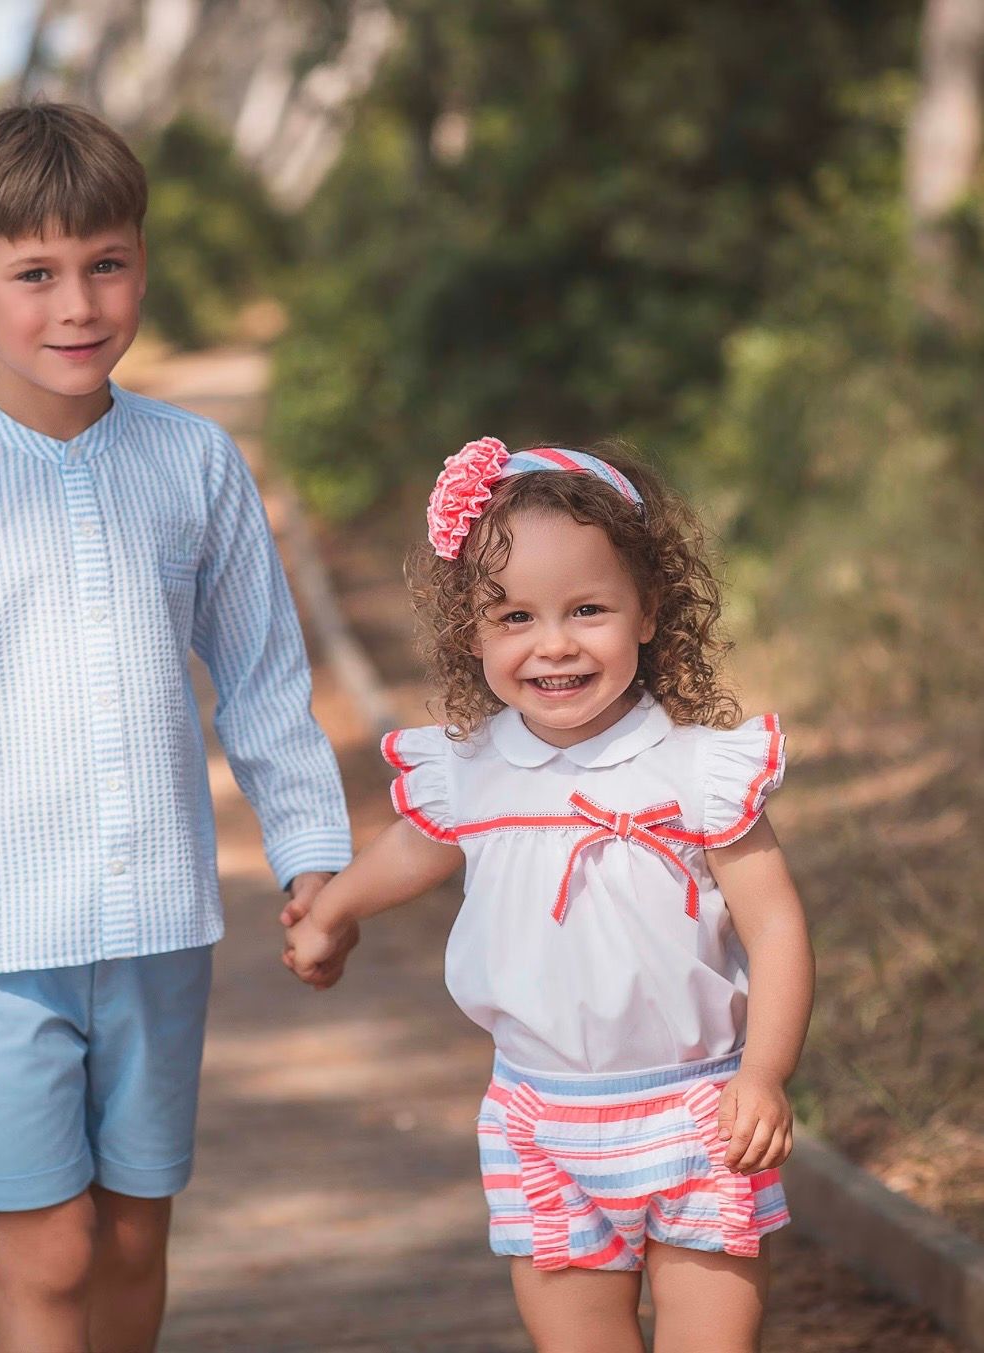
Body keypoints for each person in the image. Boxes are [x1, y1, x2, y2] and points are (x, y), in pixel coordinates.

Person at [0, 102, 355, 1353]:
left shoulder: (196, 464)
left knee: (134, 1234)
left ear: (142, 266)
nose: (76, 306)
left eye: (106, 264)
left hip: (159, 922)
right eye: (34, 275)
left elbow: (265, 684)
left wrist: (315, 863)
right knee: (48, 1248)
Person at [284, 438, 815, 1352]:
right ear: (472, 633)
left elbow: (776, 928)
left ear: (647, 611)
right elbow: (413, 853)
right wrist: (331, 911)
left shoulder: (695, 773)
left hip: (698, 1113)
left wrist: (763, 1074)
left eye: (587, 609)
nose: (553, 642)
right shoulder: (474, 770)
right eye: (514, 616)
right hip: (541, 1119)